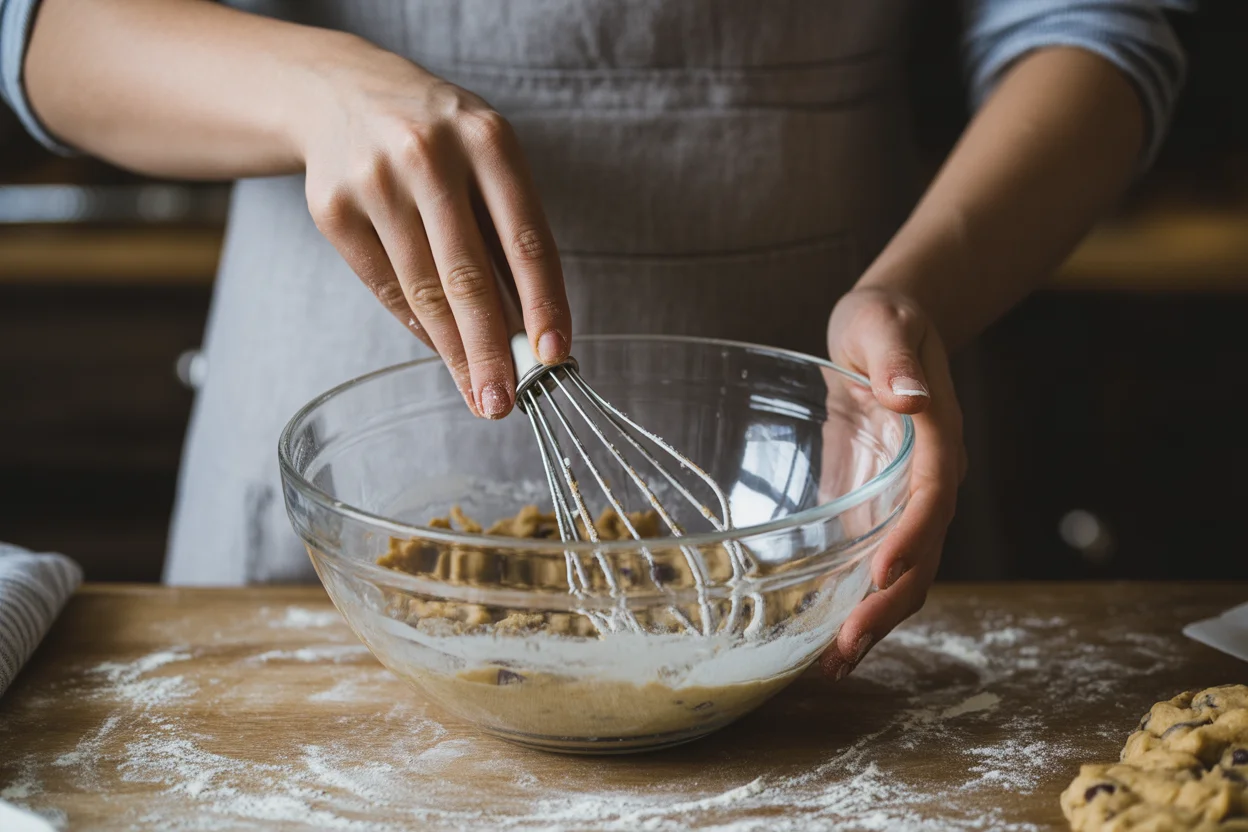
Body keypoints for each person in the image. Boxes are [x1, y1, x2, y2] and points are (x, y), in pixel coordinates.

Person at [1, 0, 1190, 679]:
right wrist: (309, 90)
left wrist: (919, 293)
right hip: (327, 436)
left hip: (818, 464)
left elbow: (1094, 24)